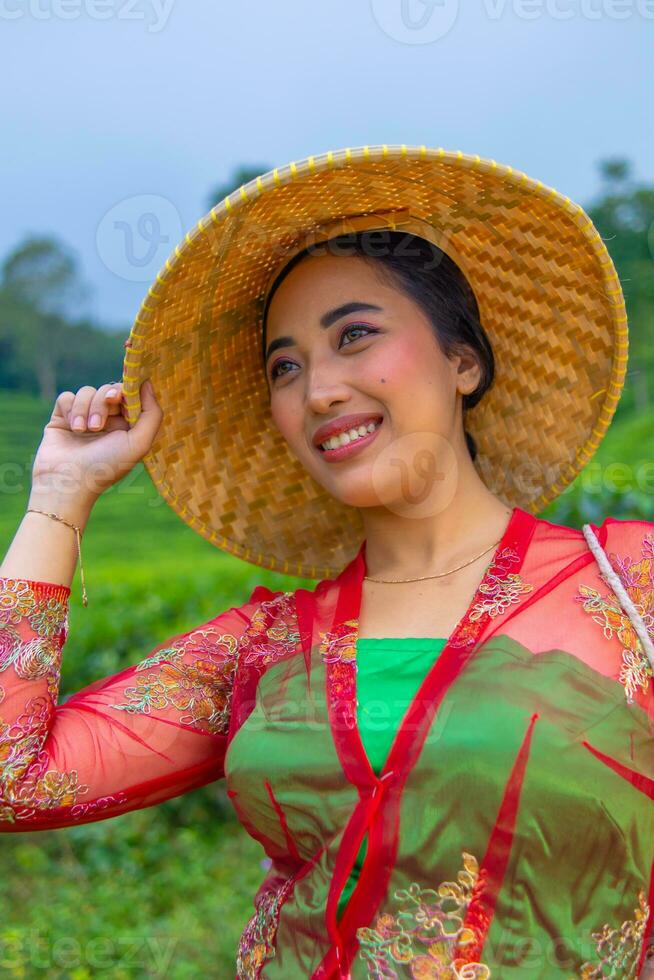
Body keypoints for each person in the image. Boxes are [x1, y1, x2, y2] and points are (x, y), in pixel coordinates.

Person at [1, 144, 653, 979]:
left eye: (356, 336)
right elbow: (14, 780)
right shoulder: (265, 648)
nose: (320, 391)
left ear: (464, 361)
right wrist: (59, 496)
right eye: (286, 367)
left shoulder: (627, 584)